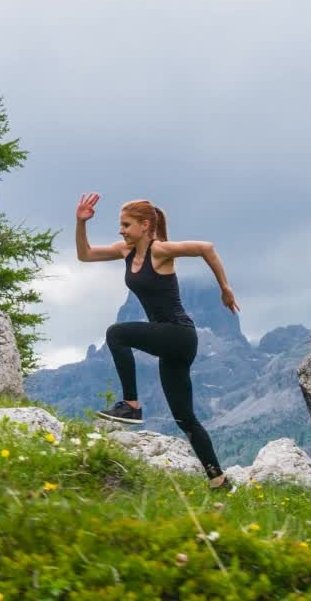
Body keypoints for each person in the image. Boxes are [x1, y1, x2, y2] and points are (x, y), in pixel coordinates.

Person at [74, 192, 240, 490]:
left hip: (178, 334)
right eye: (120, 225)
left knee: (116, 334)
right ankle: (219, 479)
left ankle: (131, 404)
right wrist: (80, 222)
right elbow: (84, 254)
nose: (121, 230)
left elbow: (207, 248)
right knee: (184, 417)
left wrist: (225, 289)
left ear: (145, 225)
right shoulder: (124, 253)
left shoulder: (161, 251)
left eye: (126, 225)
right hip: (170, 342)